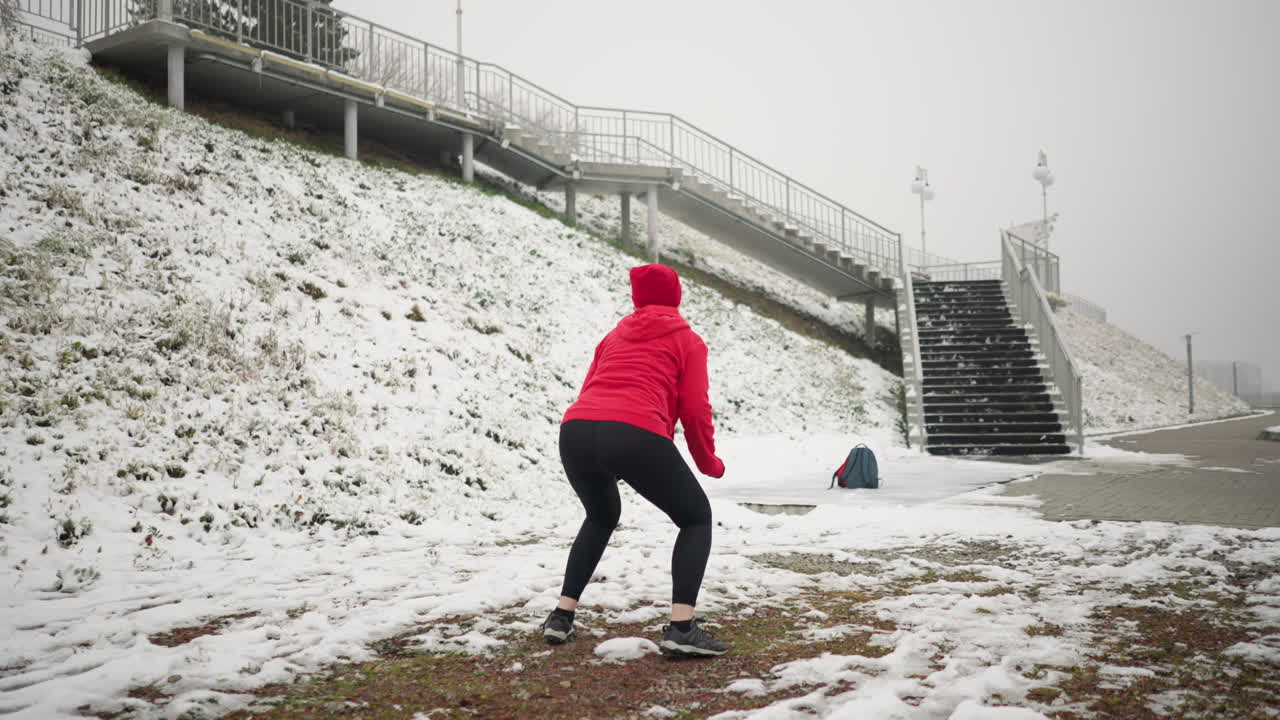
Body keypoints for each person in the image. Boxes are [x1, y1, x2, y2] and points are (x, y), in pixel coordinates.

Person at [541, 263, 728, 657]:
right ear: (676, 296)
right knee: (696, 518)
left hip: (576, 429)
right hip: (633, 431)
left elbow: (592, 387)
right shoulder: (688, 341)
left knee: (601, 515)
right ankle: (681, 629)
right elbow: (695, 410)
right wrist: (707, 460)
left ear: (636, 298)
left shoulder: (613, 336)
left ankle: (561, 616)